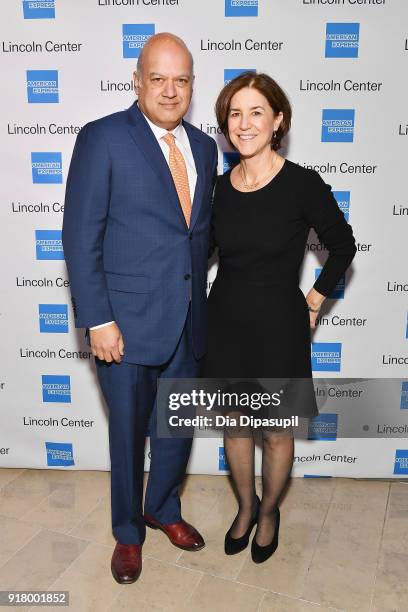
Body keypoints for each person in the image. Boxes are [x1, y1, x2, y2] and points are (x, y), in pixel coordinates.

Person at [62, 33, 218, 584]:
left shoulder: (204, 147)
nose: (170, 90)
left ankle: (164, 509)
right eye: (158, 78)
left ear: (193, 86)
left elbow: (196, 237)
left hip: (187, 320)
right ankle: (128, 533)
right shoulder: (102, 138)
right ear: (138, 80)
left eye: (181, 79)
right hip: (123, 325)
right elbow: (81, 237)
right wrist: (98, 319)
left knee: (176, 428)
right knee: (127, 434)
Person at [201, 72, 357, 563]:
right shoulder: (219, 189)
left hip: (279, 327)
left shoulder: (301, 184)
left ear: (278, 121)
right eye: (234, 113)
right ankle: (245, 508)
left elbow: (342, 246)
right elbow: (199, 252)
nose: (244, 124)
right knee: (235, 425)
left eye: (255, 112)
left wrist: (313, 301)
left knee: (275, 429)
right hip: (225, 320)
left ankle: (269, 512)